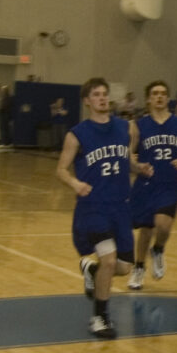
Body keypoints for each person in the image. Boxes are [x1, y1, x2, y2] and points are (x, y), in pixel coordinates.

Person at [55, 77, 137, 339]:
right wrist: (75, 183)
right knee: (109, 261)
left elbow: (126, 160)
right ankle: (100, 318)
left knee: (123, 268)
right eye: (97, 95)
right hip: (93, 207)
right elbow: (61, 169)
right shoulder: (77, 134)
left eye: (105, 94)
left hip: (120, 207)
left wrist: (139, 168)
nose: (102, 98)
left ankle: (91, 270)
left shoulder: (126, 128)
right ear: (87, 101)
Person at [129, 80, 177, 290]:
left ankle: (158, 249)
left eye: (162, 93)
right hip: (146, 184)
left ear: (168, 98)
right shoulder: (138, 125)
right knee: (145, 230)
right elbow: (128, 154)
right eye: (155, 93)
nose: (159, 96)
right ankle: (139, 267)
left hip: (169, 184)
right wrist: (137, 165)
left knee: (163, 225)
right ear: (148, 99)